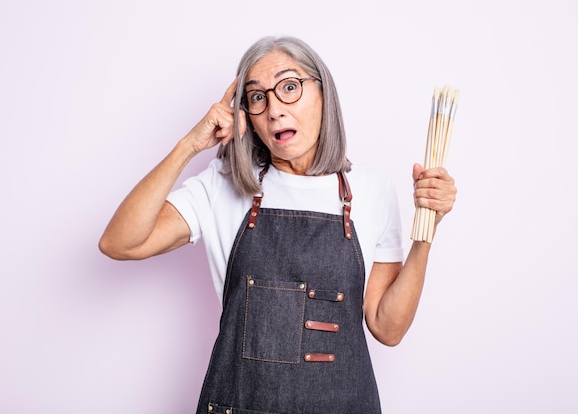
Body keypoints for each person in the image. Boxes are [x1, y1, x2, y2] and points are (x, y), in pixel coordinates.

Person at [99, 36, 456, 414]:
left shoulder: (373, 190)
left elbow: (388, 328)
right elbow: (119, 243)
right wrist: (189, 145)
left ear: (323, 94)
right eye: (257, 97)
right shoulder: (224, 184)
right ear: (247, 117)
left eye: (290, 87)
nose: (274, 110)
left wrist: (427, 229)